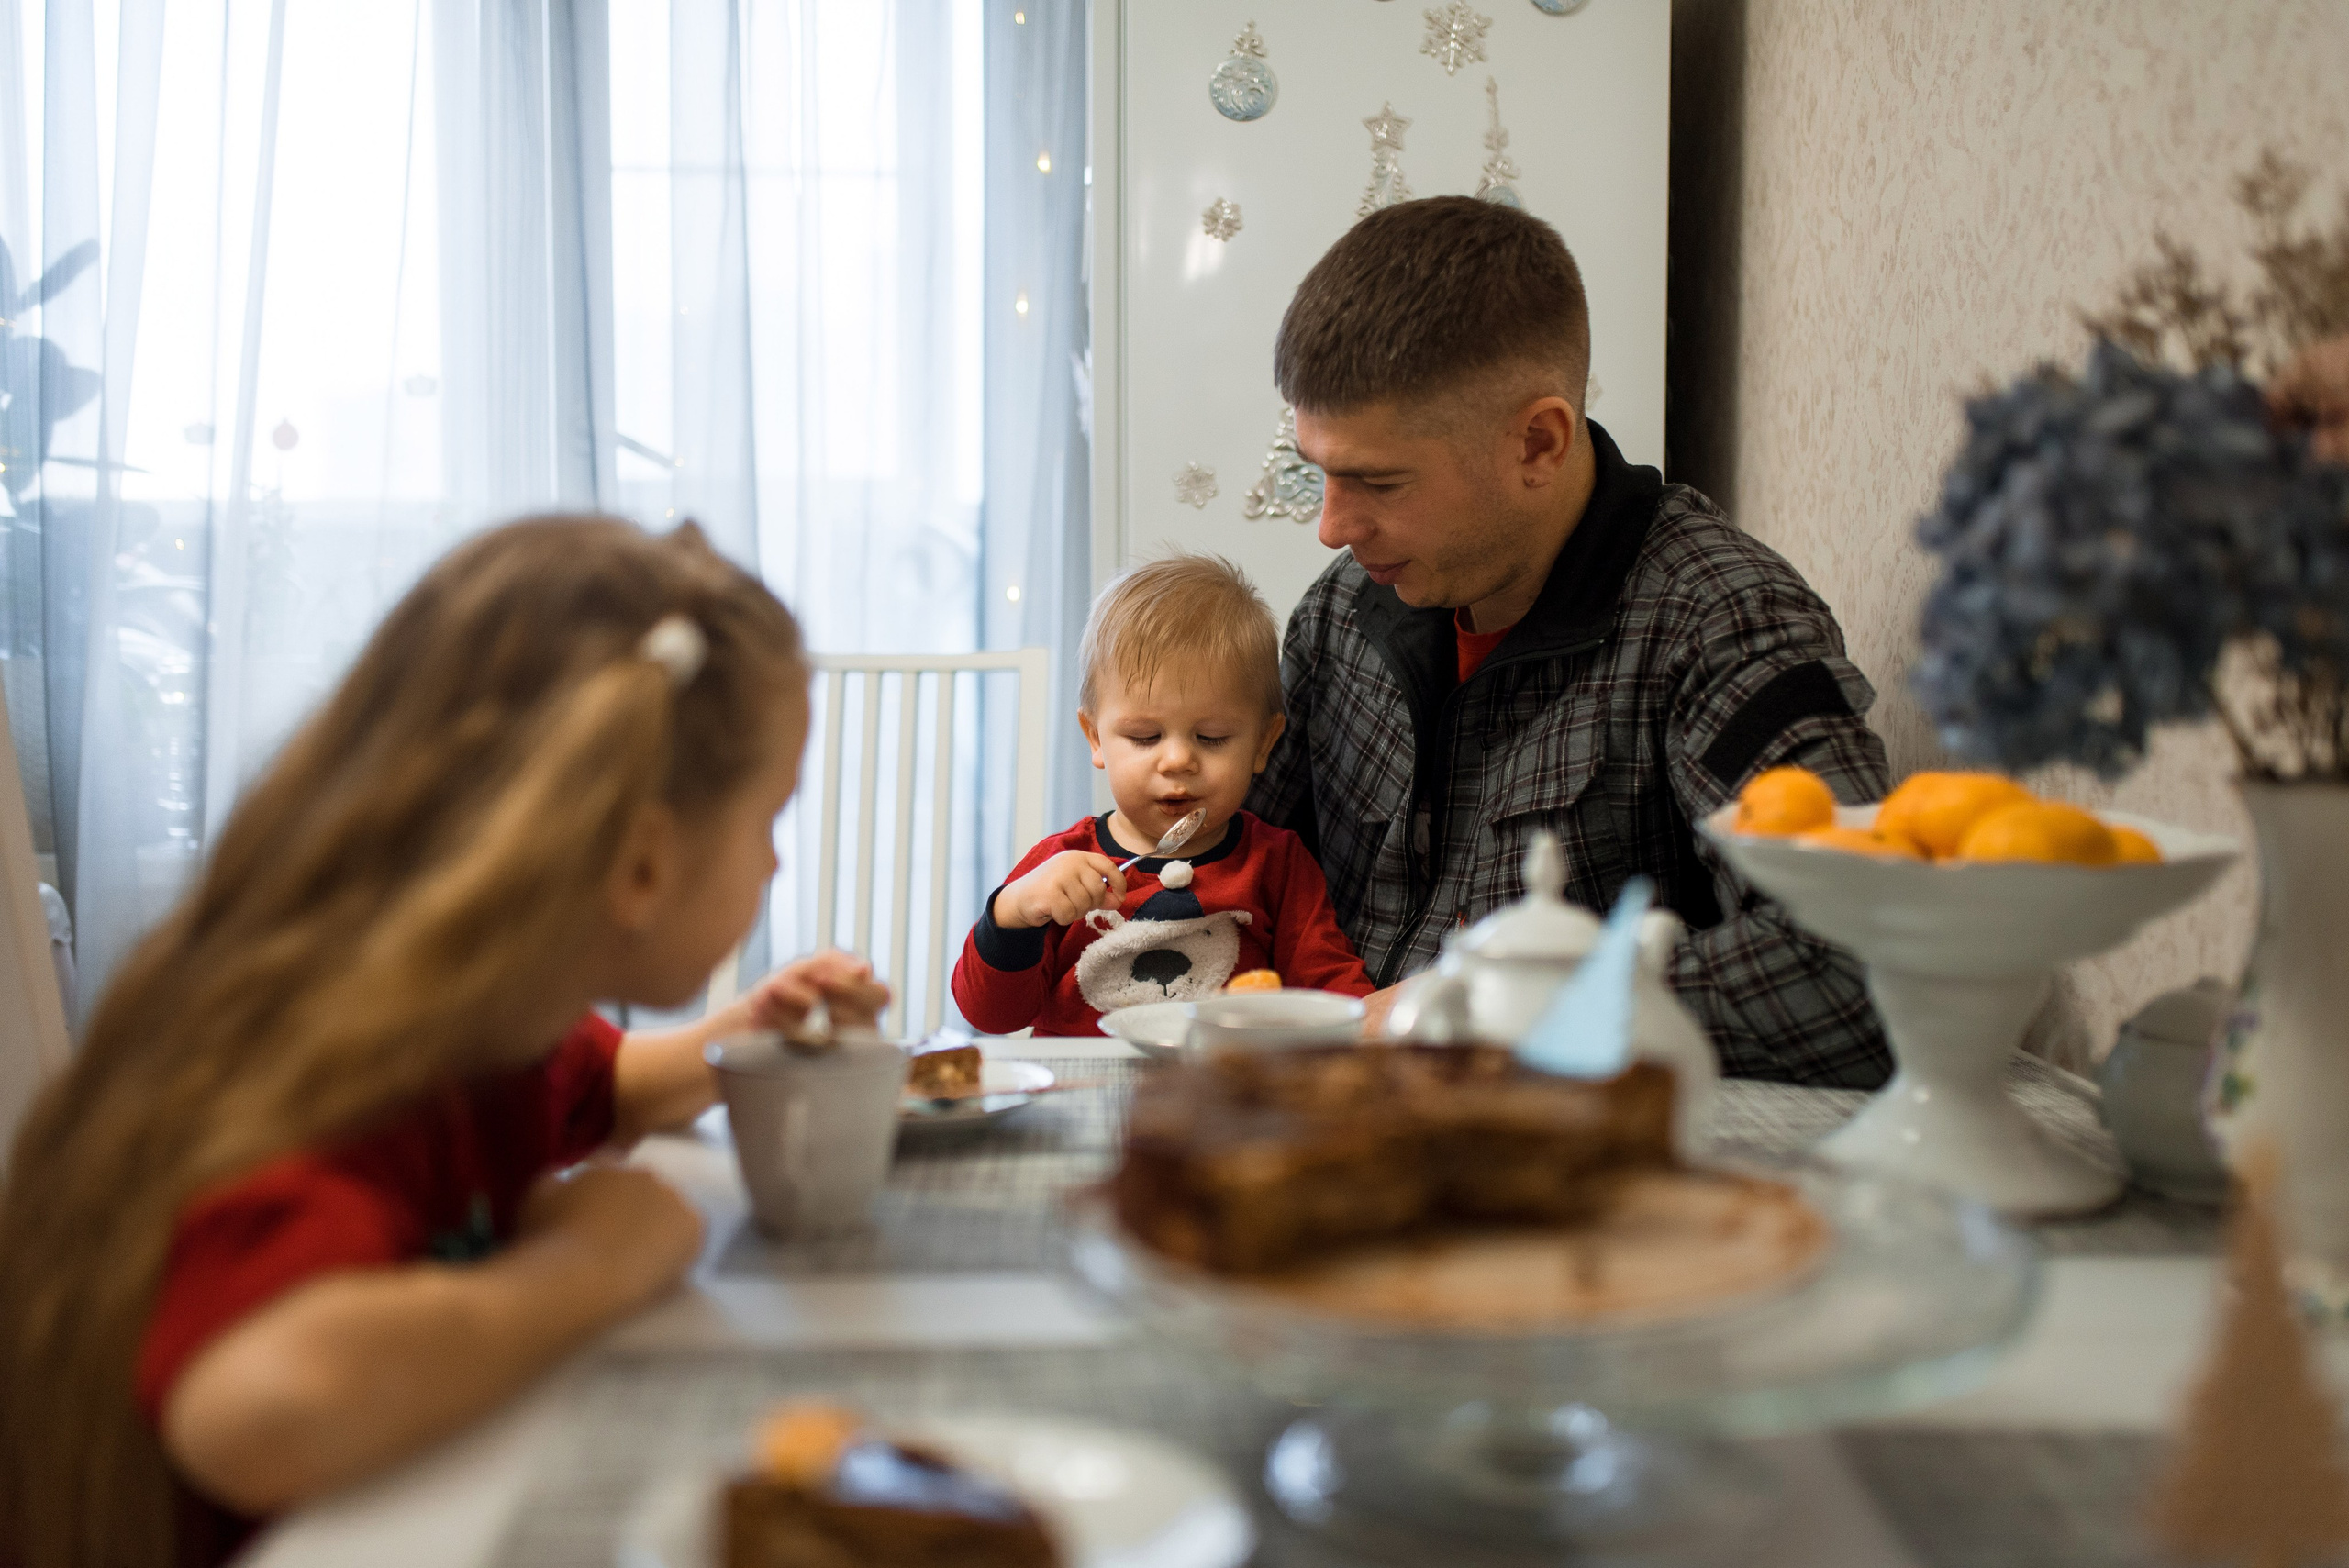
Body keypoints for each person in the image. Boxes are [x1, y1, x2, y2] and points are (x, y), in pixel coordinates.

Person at [0, 517, 887, 1568]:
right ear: (642, 864)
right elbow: (262, 1406)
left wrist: (743, 1030)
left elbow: (615, 1085)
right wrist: (590, 1260)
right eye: (768, 820)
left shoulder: (488, 1017)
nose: (775, 863)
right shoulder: (336, 1063)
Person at [1244, 196, 1892, 1087]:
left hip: (1572, 1178)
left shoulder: (1719, 621)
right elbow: (1237, 882)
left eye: (1379, 481)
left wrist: (1500, 1011)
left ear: (1538, 442)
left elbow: (1853, 968)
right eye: (1318, 472)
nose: (1330, 526)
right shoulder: (1343, 612)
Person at [953, 553, 1371, 1036]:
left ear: (1263, 744)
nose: (1176, 761)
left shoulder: (1277, 863)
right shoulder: (1061, 865)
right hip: (1082, 1095)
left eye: (1211, 737)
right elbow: (991, 1016)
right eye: (1145, 737)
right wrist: (1012, 915)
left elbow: (1336, 997)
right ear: (1096, 738)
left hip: (1222, 1097)